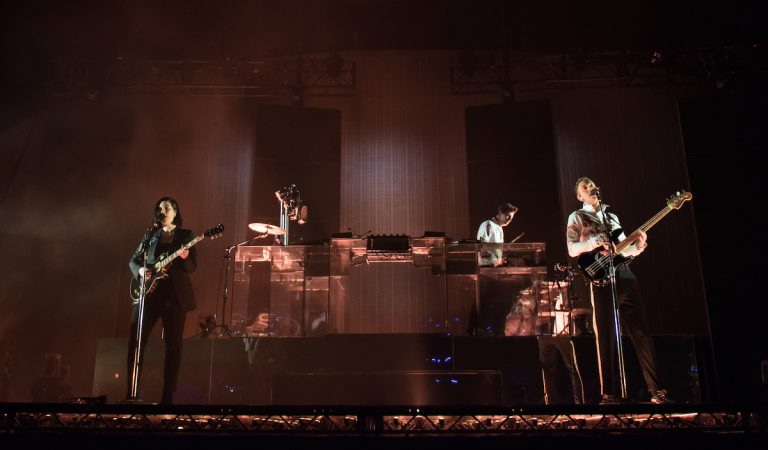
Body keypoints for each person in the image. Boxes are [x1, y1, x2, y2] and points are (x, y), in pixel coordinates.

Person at [566, 177, 672, 404]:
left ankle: (656, 391)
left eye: (591, 184)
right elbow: (572, 248)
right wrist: (595, 242)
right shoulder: (577, 216)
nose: (590, 187)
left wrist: (639, 247)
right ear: (579, 196)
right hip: (600, 276)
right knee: (606, 336)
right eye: (585, 187)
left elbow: (624, 249)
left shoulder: (611, 216)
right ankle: (610, 395)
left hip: (624, 274)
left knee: (641, 332)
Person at [127, 197, 197, 404]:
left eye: (166, 208)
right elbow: (133, 261)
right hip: (149, 294)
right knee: (136, 341)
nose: (162, 211)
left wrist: (184, 257)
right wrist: (141, 271)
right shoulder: (151, 235)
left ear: (175, 212)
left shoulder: (186, 235)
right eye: (159, 208)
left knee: (173, 346)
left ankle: (167, 398)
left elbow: (192, 267)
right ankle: (131, 393)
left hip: (174, 297)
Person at [477, 202, 518, 267]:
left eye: (511, 218)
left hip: (494, 266)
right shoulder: (488, 224)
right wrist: (499, 248)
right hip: (486, 266)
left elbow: (493, 250)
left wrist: (499, 259)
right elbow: (481, 245)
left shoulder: (499, 227)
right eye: (508, 216)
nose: (509, 219)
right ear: (500, 213)